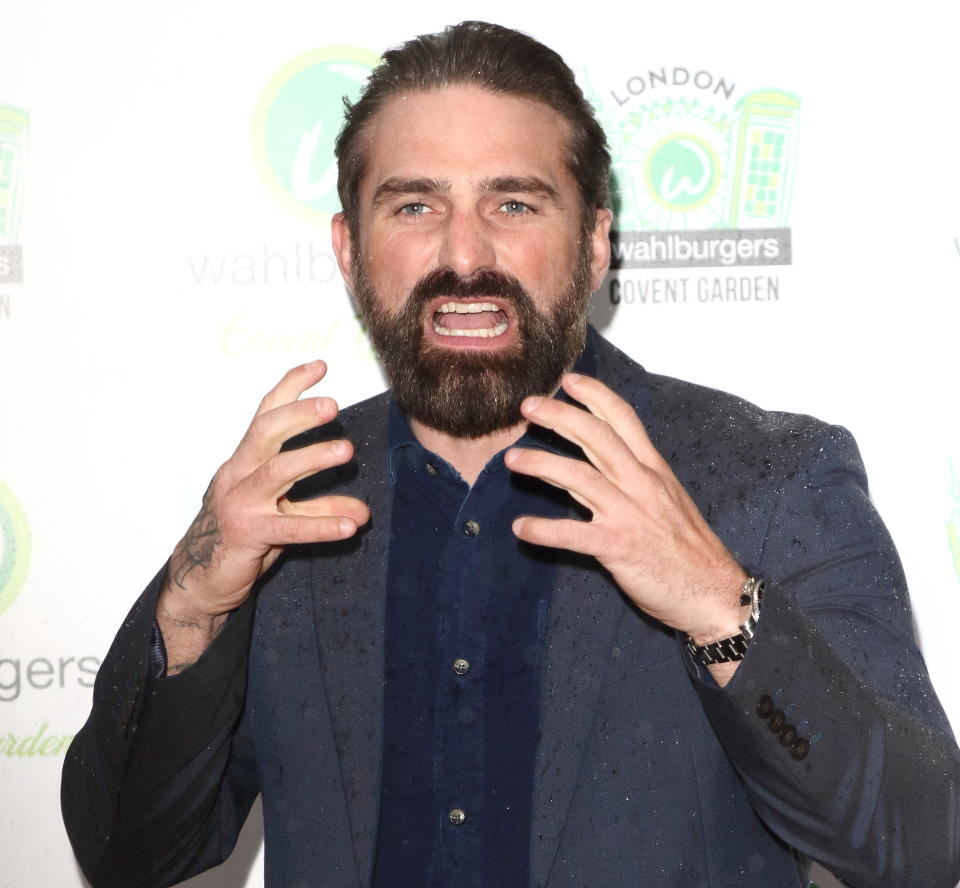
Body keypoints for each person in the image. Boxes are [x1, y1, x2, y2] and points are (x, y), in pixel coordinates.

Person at [62, 21, 960, 888]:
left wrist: (719, 607)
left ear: (596, 243)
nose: (463, 254)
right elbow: (126, 856)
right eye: (415, 205)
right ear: (348, 248)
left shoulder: (769, 479)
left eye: (514, 203)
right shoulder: (285, 499)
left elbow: (918, 849)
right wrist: (190, 610)